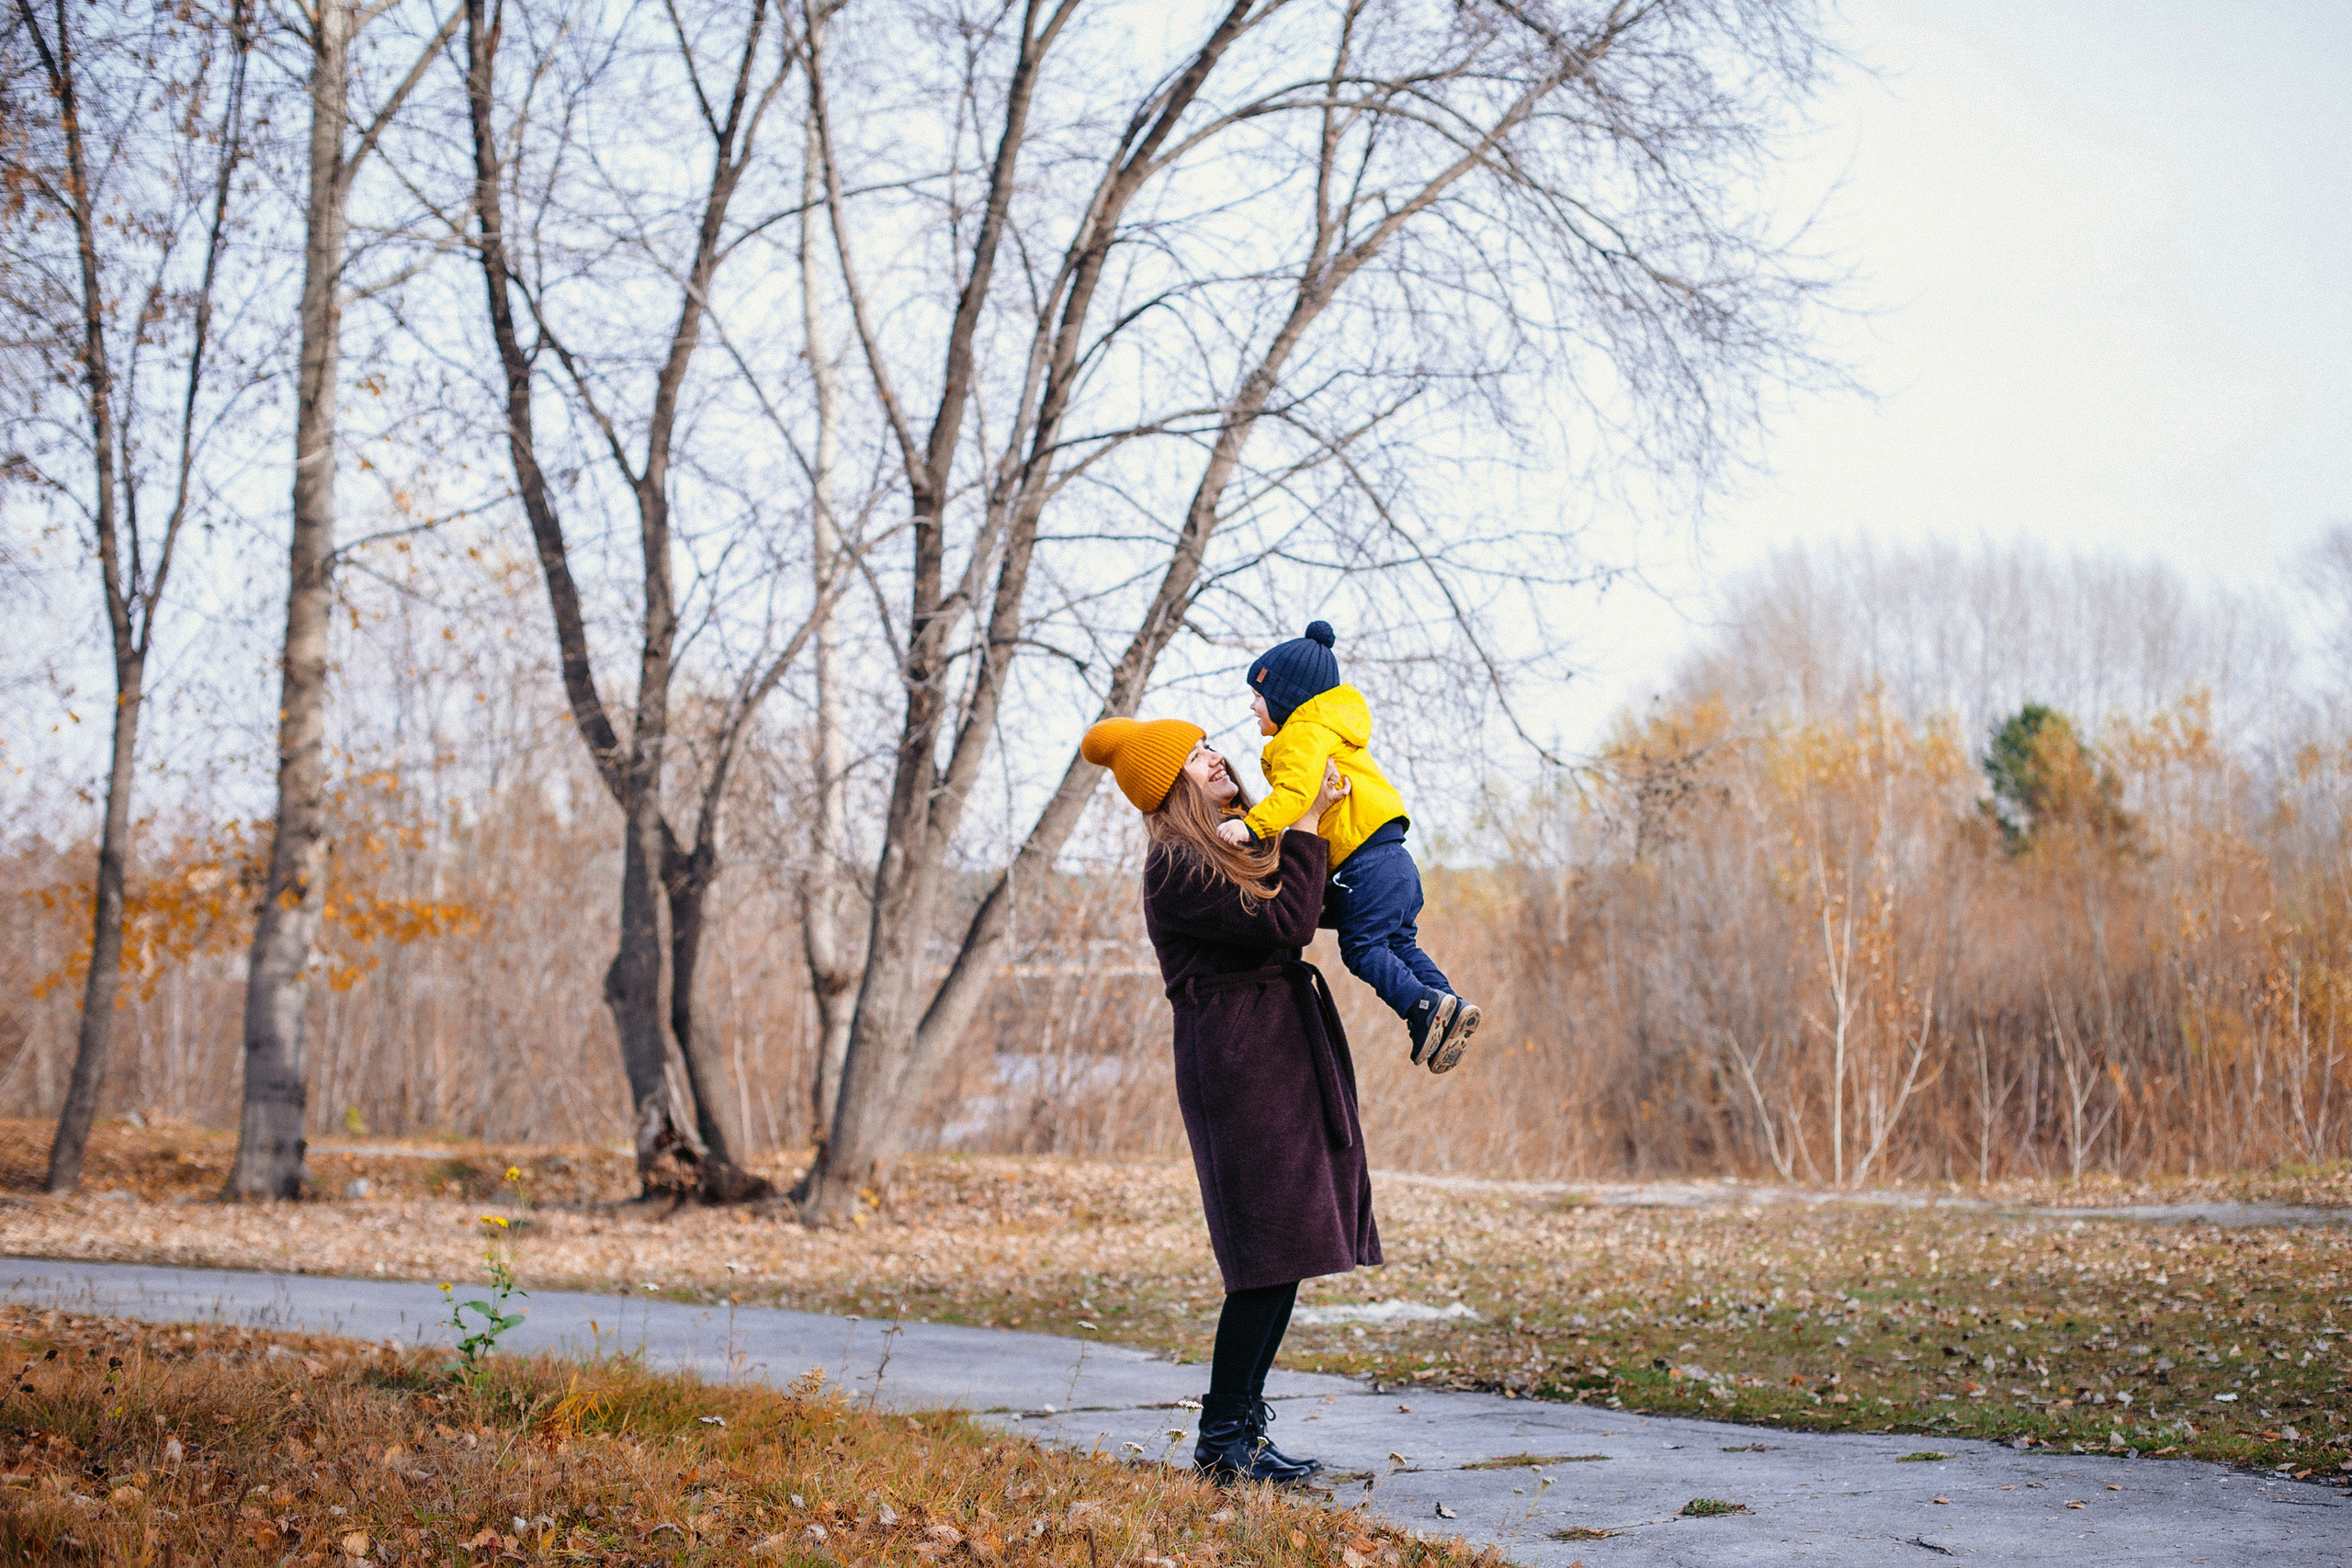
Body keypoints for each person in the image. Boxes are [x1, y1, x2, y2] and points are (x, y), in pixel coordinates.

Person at [1080, 715, 1375, 1485]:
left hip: (1274, 1046)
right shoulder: (1175, 864)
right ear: (1169, 783)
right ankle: (1222, 1440)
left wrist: (1353, 847)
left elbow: (1310, 902)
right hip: (1237, 1058)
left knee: (1288, 1253)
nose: (1214, 756)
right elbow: (1286, 919)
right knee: (1264, 1254)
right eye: (1194, 753)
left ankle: (1239, 1430)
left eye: (1210, 744)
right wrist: (1305, 820)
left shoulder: (1233, 844)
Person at [1216, 621, 1481, 1074]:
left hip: (1362, 866)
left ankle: (1421, 1008)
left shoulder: (1300, 735)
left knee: (1361, 948)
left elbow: (1297, 797)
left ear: (1285, 697)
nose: (1252, 705)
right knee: (1398, 941)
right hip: (1395, 858)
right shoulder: (1335, 730)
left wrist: (1252, 827)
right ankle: (1450, 1008)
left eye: (1258, 696)